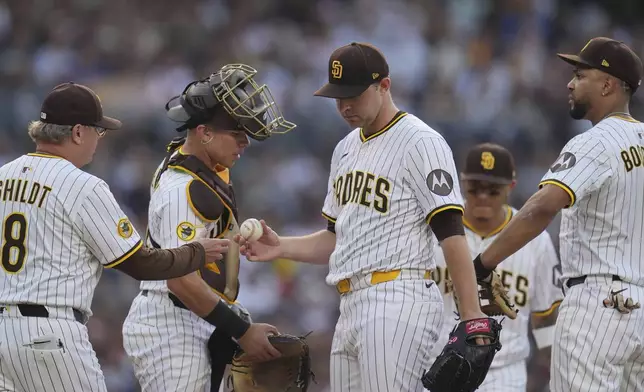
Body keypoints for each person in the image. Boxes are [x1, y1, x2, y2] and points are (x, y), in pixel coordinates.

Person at [234, 42, 504, 392]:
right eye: (337, 97)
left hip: (397, 297)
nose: (345, 105)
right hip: (349, 303)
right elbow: (335, 239)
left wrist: (471, 315)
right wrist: (279, 247)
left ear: (384, 86)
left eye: (354, 95)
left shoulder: (420, 141)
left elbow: (451, 232)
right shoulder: (344, 149)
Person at [0, 82, 231, 392]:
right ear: (78, 132)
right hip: (49, 335)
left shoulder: (4, 176)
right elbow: (140, 264)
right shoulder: (82, 185)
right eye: (98, 131)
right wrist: (197, 252)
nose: (99, 139)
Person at [471, 37, 644, 392]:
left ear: (608, 84)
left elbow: (542, 206)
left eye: (581, 75)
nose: (570, 82)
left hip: (598, 305)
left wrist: (483, 264)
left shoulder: (595, 141)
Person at [122, 64, 296, 392]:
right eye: (238, 132)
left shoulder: (201, 162)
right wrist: (242, 331)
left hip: (199, 316)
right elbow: (180, 281)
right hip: (172, 323)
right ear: (204, 132)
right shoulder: (183, 190)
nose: (245, 142)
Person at [428, 143, 563, 391]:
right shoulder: (436, 229)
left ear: (510, 188)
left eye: (493, 190)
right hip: (439, 366)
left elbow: (545, 317)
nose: (482, 196)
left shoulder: (536, 241)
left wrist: (553, 370)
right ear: (462, 183)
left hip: (505, 374)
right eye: (475, 187)